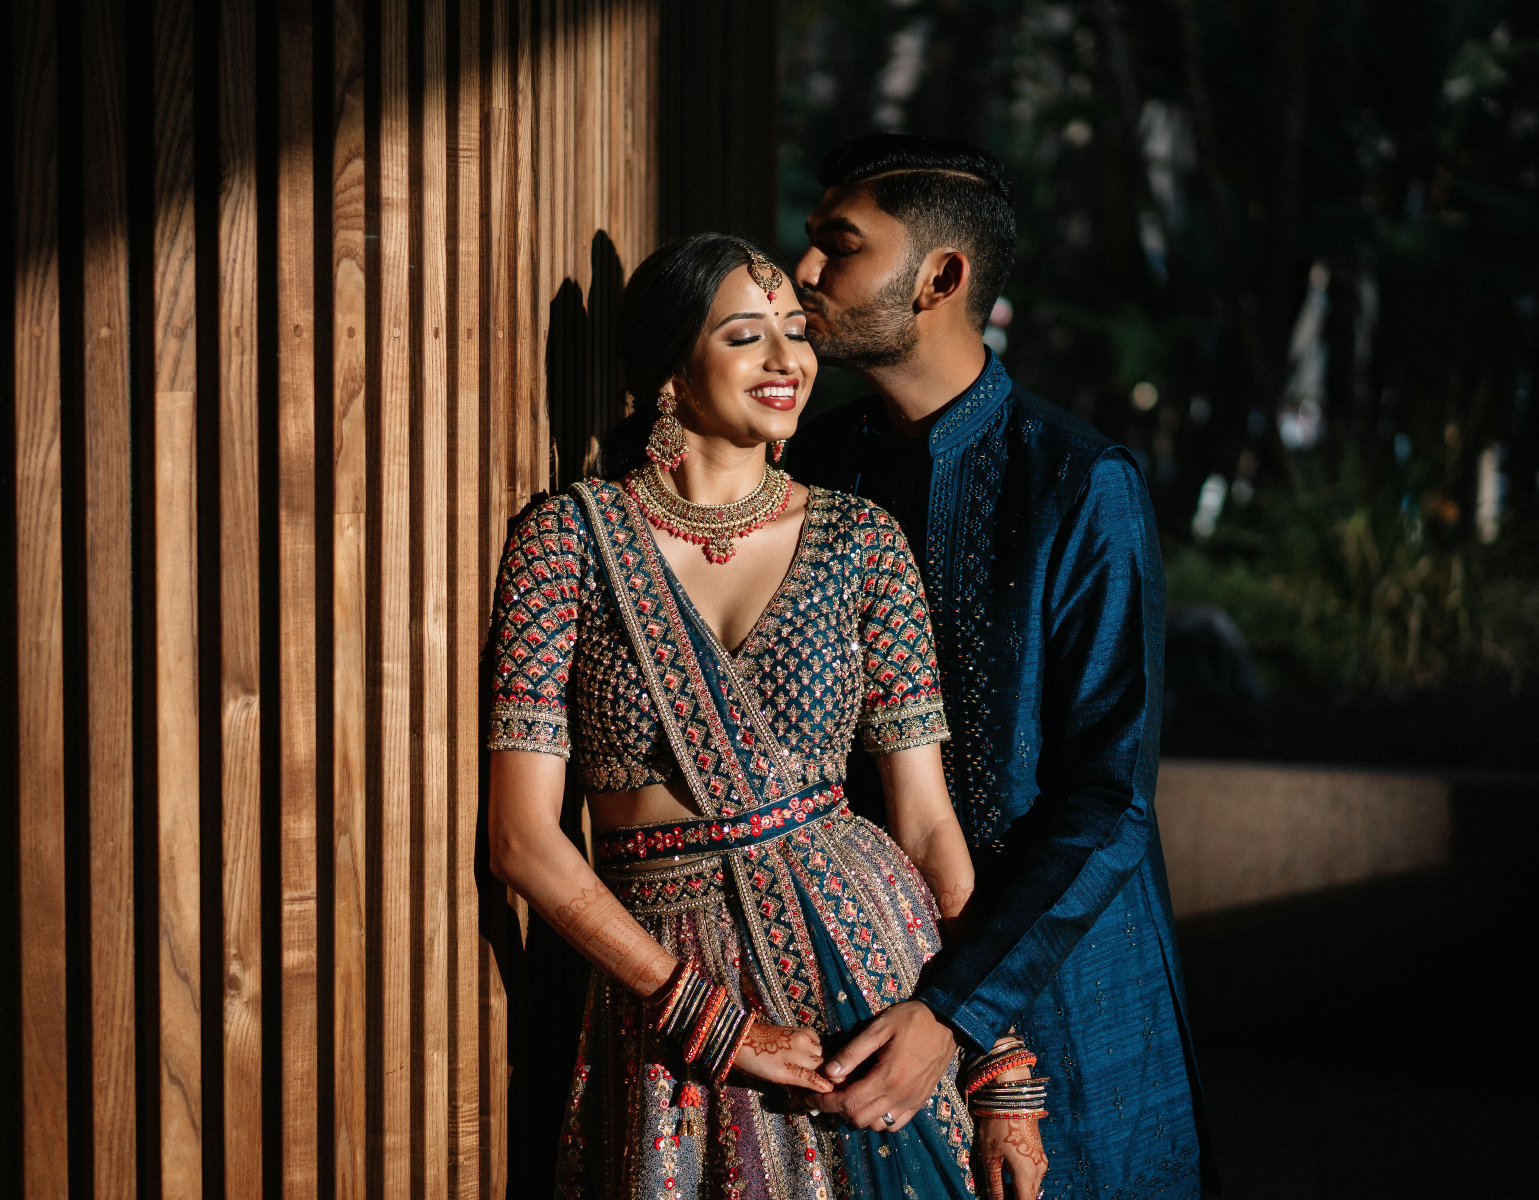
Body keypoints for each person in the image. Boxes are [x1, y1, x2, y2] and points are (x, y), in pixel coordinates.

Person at [487, 233, 1049, 1199]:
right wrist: (705, 1018)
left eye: (796, 333)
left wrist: (994, 1053)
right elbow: (522, 839)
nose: (788, 361)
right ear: (672, 366)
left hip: (874, 964)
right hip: (673, 995)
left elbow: (922, 821)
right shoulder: (567, 542)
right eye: (748, 336)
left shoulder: (861, 542)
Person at [784, 134, 1218, 1198]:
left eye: (837, 246)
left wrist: (957, 1012)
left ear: (939, 277)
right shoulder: (812, 467)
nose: (803, 275)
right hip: (855, 975)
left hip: (1067, 989)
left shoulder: (1080, 484)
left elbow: (1109, 796)